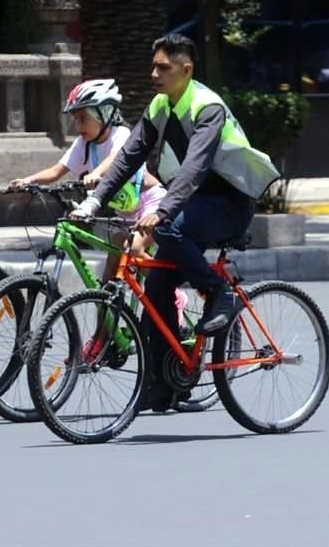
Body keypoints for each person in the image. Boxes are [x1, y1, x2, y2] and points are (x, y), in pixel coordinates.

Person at [71, 33, 280, 412]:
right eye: (153, 66)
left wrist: (163, 210)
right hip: (196, 203)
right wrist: (94, 199)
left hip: (229, 203)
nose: (154, 74)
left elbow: (196, 167)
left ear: (187, 69)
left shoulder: (207, 106)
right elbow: (130, 155)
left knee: (165, 226)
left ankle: (220, 292)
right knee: (157, 287)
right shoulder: (161, 105)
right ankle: (165, 384)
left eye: (162, 67)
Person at [8, 78, 167, 261]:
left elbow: (116, 159)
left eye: (84, 118)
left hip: (151, 202)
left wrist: (97, 173)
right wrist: (28, 180)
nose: (78, 125)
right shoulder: (83, 144)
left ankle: (170, 289)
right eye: (76, 119)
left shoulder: (121, 134)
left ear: (104, 114)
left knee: (134, 249)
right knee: (113, 263)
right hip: (125, 212)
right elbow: (56, 171)